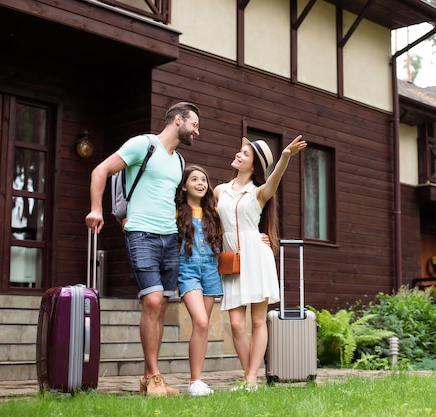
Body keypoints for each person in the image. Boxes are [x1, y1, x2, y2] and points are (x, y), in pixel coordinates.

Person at [85, 102, 201, 397]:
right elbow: (101, 170)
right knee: (151, 301)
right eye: (194, 125)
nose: (197, 132)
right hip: (141, 234)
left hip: (168, 237)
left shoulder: (179, 162)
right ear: (178, 121)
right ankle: (155, 376)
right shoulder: (143, 145)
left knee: (160, 304)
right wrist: (97, 210)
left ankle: (150, 377)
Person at [214, 134, 307, 390]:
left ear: (254, 166)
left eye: (245, 153)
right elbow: (212, 222)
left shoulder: (259, 193)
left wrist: (285, 157)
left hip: (257, 257)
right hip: (232, 260)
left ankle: (251, 379)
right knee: (235, 323)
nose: (238, 154)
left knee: (257, 321)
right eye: (239, 150)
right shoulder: (220, 190)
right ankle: (250, 375)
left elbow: (275, 178)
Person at [175, 165, 223, 396]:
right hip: (188, 271)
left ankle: (197, 381)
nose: (200, 183)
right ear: (184, 186)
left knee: (201, 328)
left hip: (211, 272)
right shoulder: (176, 212)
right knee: (202, 322)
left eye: (203, 179)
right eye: (194, 179)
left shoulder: (213, 213)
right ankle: (195, 381)